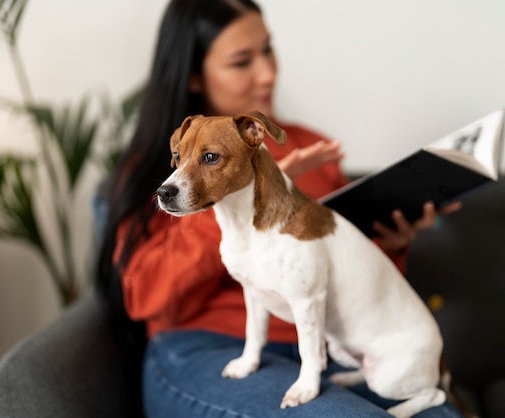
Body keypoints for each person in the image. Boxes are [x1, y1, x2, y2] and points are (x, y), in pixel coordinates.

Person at [95, 0, 463, 416]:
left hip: (329, 343)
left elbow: (357, 281)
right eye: (242, 60)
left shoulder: (312, 146)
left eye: (268, 50)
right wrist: (240, 194)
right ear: (194, 75)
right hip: (211, 343)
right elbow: (144, 297)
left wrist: (394, 242)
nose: (268, 73)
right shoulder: (157, 174)